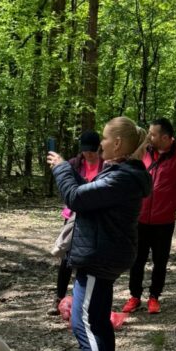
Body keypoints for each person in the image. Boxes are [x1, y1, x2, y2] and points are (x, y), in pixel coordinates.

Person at [48, 117, 151, 351]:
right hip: (101, 254)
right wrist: (69, 172)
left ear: (117, 144)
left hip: (99, 257)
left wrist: (61, 169)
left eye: (104, 139)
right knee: (97, 322)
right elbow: (88, 195)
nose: (100, 145)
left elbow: (76, 198)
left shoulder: (123, 177)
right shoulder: (122, 173)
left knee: (84, 323)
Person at [122, 117, 176, 315]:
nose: (149, 137)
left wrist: (170, 205)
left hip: (164, 221)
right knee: (136, 259)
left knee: (160, 261)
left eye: (153, 134)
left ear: (165, 137)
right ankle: (134, 296)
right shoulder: (143, 151)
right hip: (140, 218)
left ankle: (154, 297)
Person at [49, 130, 104, 315]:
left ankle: (85, 300)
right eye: (85, 151)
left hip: (94, 216)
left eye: (92, 151)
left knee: (88, 256)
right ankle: (59, 297)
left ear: (99, 148)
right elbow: (65, 185)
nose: (88, 155)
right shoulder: (74, 163)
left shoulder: (105, 165)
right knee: (67, 256)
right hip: (72, 214)